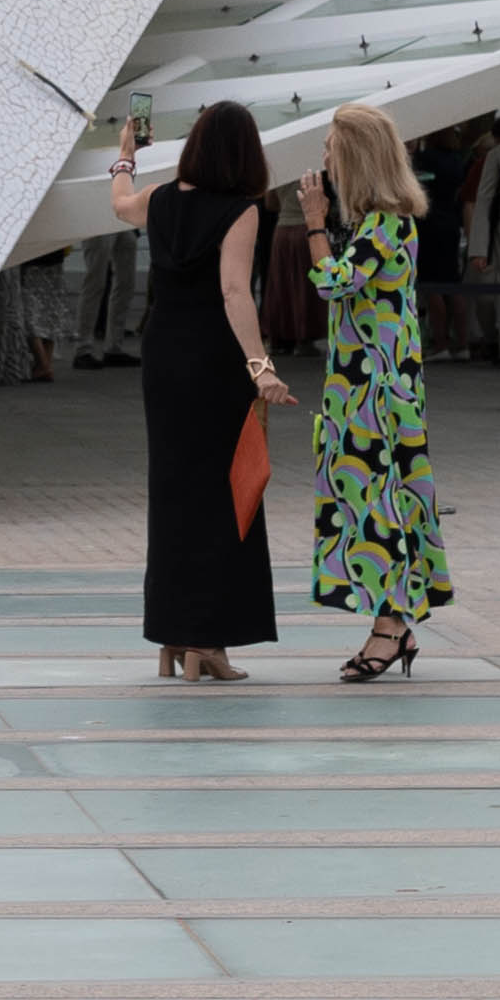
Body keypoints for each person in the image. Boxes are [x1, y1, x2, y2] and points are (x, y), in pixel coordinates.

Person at [113, 103, 289, 679]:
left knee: (172, 492)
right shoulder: (241, 210)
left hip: (163, 354)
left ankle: (172, 636)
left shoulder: (160, 199)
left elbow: (120, 207)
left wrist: (125, 155)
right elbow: (235, 293)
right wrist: (260, 365)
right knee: (221, 496)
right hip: (214, 359)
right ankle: (206, 642)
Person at [301, 104, 448, 678]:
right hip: (363, 392)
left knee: (377, 507)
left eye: (332, 147)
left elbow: (334, 284)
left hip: (375, 396)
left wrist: (314, 222)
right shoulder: (376, 223)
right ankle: (393, 624)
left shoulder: (385, 222)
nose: (325, 160)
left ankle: (390, 627)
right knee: (374, 507)